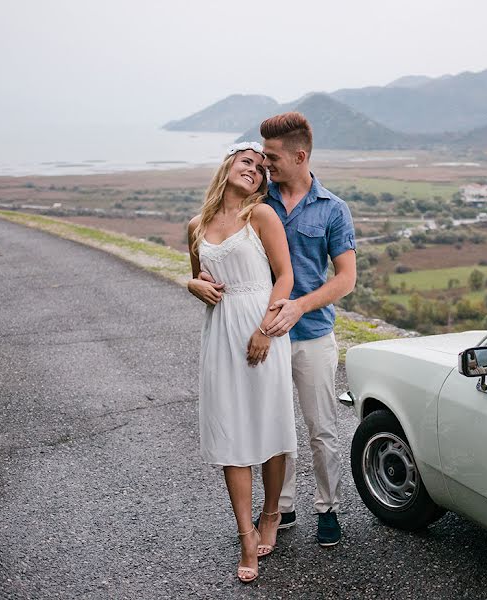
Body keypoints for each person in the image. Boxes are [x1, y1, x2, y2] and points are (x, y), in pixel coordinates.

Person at [186, 142, 296, 583]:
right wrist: (191, 284)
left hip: (262, 327)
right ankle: (246, 535)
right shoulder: (196, 224)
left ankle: (271, 514)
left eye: (261, 167)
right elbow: (199, 276)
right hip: (220, 335)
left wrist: (264, 329)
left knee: (267, 425)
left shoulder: (262, 216)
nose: (254, 169)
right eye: (247, 161)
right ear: (228, 165)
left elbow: (285, 276)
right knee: (231, 429)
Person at [259, 111, 357, 546]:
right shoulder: (256, 201)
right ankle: (282, 508)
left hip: (314, 335)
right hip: (268, 336)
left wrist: (299, 306)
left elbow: (345, 279)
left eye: (272, 156)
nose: (264, 163)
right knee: (276, 428)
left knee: (322, 429)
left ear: (300, 155)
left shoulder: (334, 209)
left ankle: (329, 508)